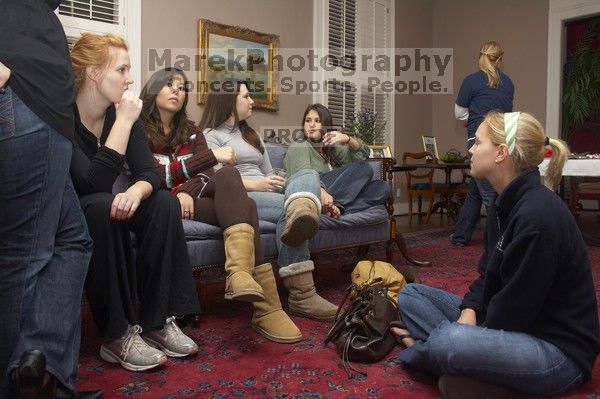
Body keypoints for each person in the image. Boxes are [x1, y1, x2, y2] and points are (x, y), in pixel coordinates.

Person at [392, 111, 600, 398]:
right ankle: (465, 369)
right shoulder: (504, 205)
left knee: (451, 341)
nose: (471, 149)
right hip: (509, 323)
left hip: (556, 351)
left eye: (477, 143)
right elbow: (486, 276)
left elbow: (516, 313)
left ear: (501, 153)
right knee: (411, 295)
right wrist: (468, 313)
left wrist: (464, 339)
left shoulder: (536, 216)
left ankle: (426, 353)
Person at [69, 34, 201, 372]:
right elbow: (90, 183)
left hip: (107, 200)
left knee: (163, 204)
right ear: (94, 74)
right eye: (122, 69)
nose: (131, 79)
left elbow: (149, 174)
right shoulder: (63, 114)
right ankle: (117, 334)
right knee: (101, 204)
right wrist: (126, 121)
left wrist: (135, 191)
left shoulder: (120, 114)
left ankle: (157, 322)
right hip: (70, 209)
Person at [139, 68, 301, 343]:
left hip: (189, 202)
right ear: (153, 90)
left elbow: (208, 173)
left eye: (182, 86)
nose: (177, 91)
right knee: (243, 202)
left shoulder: (190, 131)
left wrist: (187, 192)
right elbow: (154, 176)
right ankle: (266, 308)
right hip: (158, 205)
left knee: (233, 183)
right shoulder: (137, 129)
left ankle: (240, 276)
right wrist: (179, 191)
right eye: (169, 85)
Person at [0, 1, 99, 398]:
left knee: (74, 240)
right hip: (25, 106)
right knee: (23, 258)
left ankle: (47, 374)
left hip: (43, 118)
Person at [203, 80, 337, 321]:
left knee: (308, 175)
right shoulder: (211, 136)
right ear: (229, 100)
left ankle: (302, 205)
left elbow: (268, 172)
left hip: (269, 189)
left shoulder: (251, 135)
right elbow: (216, 181)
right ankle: (302, 295)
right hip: (243, 196)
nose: (252, 100)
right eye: (246, 96)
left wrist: (275, 182)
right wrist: (258, 184)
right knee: (294, 213)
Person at [451, 41, 514, 246]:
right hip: (501, 142)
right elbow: (507, 116)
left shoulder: (471, 81)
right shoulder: (509, 83)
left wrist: (474, 117)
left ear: (481, 56)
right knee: (477, 191)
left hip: (479, 143)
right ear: (500, 60)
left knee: (489, 195)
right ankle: (460, 237)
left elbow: (459, 114)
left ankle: (498, 243)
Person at [284, 103, 390, 218]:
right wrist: (322, 192)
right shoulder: (300, 145)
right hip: (314, 188)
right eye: (308, 120)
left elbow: (365, 153)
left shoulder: (332, 149)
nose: (311, 125)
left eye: (317, 121)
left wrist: (348, 139)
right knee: (364, 168)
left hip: (333, 192)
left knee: (382, 188)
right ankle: (330, 204)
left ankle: (337, 207)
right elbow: (303, 177)